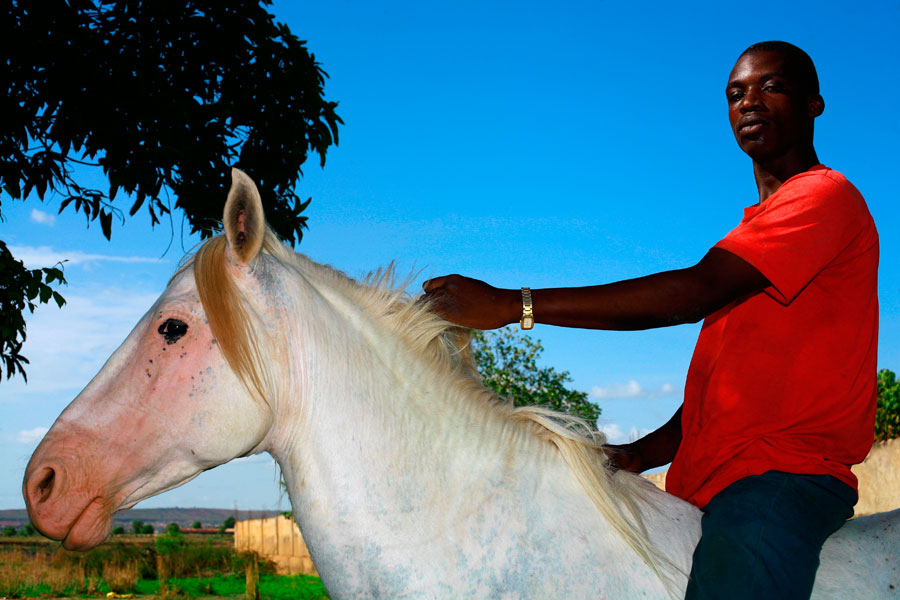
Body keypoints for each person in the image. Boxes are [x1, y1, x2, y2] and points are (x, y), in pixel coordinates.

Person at [421, 41, 879, 599]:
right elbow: (728, 394)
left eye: (772, 86)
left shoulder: (824, 198)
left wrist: (513, 306)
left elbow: (694, 292)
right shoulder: (753, 232)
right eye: (736, 93)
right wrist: (639, 454)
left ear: (814, 104)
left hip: (783, 479)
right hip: (705, 480)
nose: (750, 102)